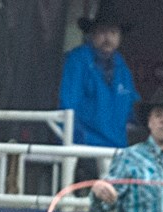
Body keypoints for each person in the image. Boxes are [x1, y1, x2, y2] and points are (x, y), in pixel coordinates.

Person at [58, 5, 140, 179]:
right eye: (102, 32)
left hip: (117, 151)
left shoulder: (122, 67)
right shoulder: (77, 60)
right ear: (92, 34)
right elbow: (68, 106)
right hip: (85, 151)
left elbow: (135, 108)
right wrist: (76, 143)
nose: (108, 38)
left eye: (113, 33)